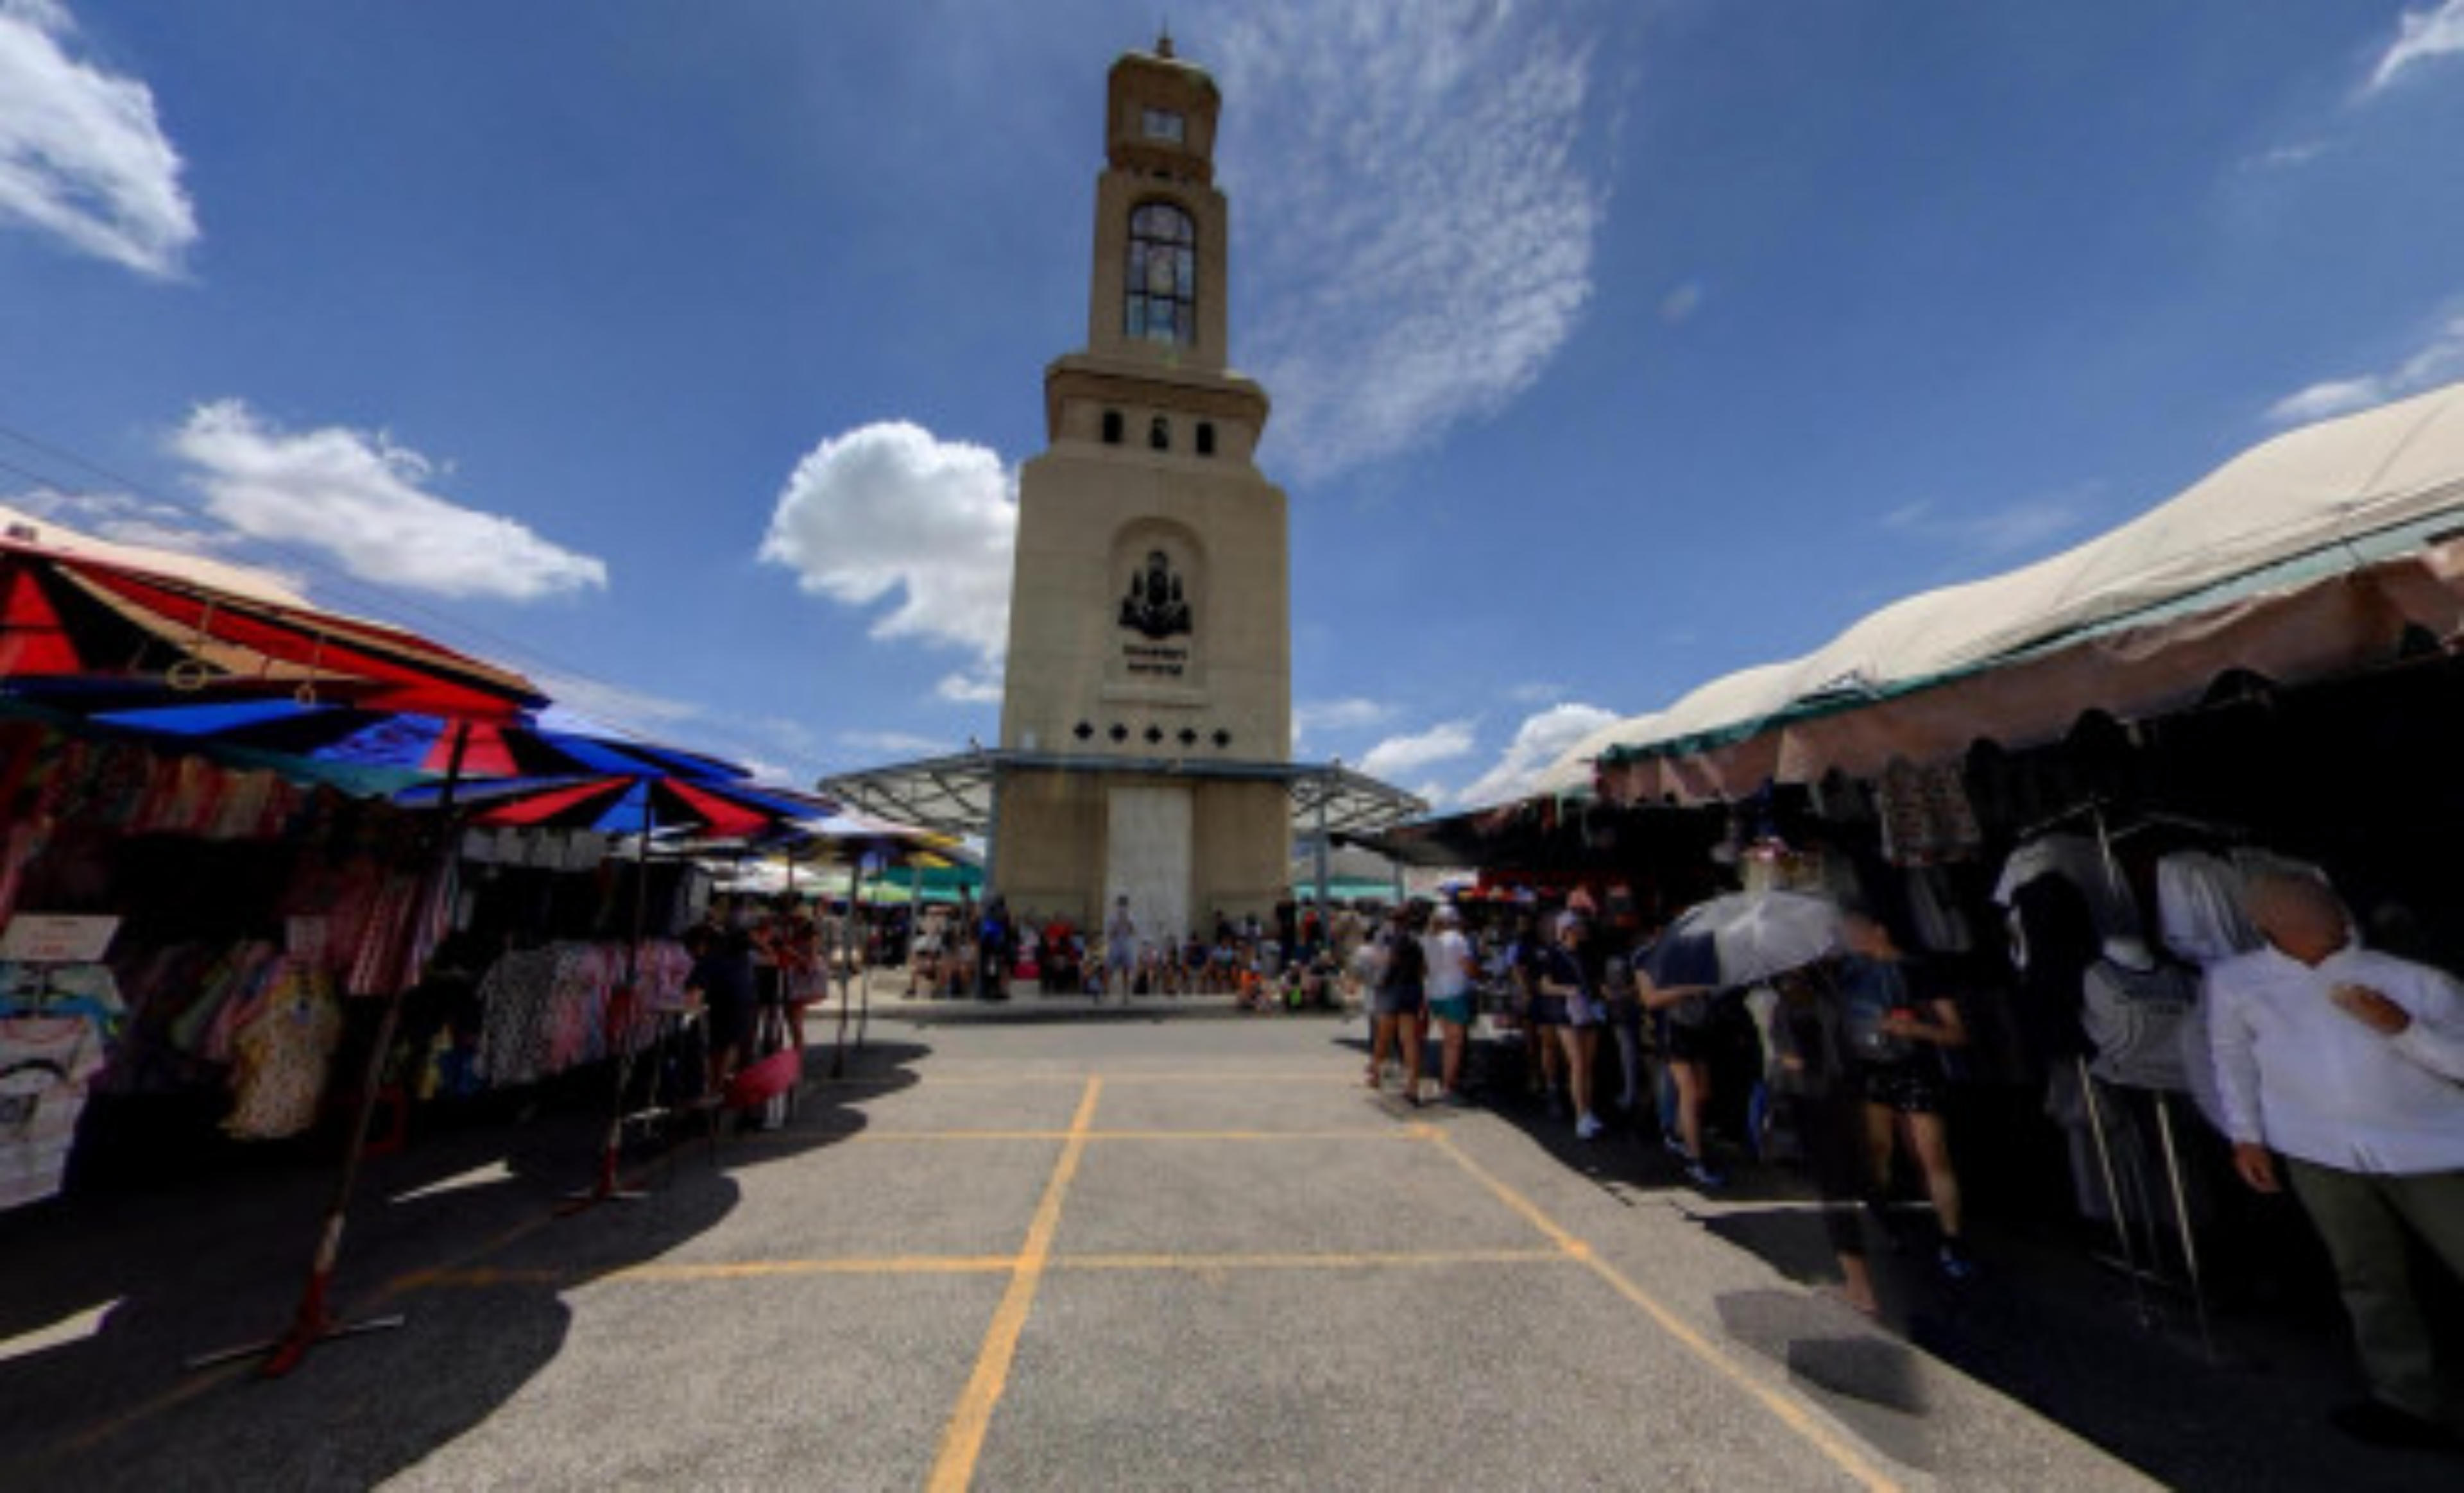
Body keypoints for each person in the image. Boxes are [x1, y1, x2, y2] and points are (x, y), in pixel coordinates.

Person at [2208, 869, 2464, 1450]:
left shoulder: (2415, 981)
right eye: (2302, 918)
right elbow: (2233, 1058)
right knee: (2366, 1275)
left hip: (2430, 1148)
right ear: (2265, 925)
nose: (2327, 925)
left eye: (2326, 912)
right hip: (2317, 1150)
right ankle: (2406, 1399)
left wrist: (2403, 1029)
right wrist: (2246, 1134)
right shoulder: (2236, 982)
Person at [1837, 905, 1976, 1279]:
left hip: (1915, 1066)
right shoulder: (1848, 973)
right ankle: (1884, 1226)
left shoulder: (1919, 971)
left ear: (1880, 930)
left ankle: (1953, 1238)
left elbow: (1957, 1032)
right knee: (1878, 1150)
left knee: (1933, 1155)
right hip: (1870, 1069)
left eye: (1856, 928)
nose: (1850, 937)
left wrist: (1916, 1030)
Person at [1638, 929, 1725, 1187]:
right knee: (1688, 1091)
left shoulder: (1694, 959)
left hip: (1697, 1027)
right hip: (1674, 1031)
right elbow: (1650, 999)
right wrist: (1689, 990)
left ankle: (1680, 1134)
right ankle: (1695, 1158)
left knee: (1701, 1092)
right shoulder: (1646, 961)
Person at [1538, 912, 1605, 1139]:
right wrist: (1567, 990)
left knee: (1588, 1064)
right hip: (1566, 1013)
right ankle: (1580, 1116)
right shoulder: (1553, 954)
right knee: (1577, 1063)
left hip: (1589, 1010)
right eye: (1579, 925)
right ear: (1567, 930)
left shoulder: (1588, 953)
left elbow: (1596, 980)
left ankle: (1588, 1110)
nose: (1583, 929)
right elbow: (1545, 986)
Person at [1367, 912, 1428, 1104]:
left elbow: (1389, 962)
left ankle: (1376, 1074)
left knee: (1383, 1036)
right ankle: (1413, 1085)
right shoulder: (1417, 942)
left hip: (1393, 990)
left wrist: (1380, 978)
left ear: (1394, 922)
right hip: (1412, 990)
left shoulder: (1395, 940)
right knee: (1409, 1040)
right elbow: (1424, 970)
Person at [1423, 904, 1479, 1104]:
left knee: (1447, 1041)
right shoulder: (1458, 940)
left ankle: (1447, 1083)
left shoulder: (1430, 940)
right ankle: (1449, 1086)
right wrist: (1478, 973)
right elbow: (1469, 967)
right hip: (1454, 993)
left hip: (1435, 994)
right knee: (1454, 1044)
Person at [1104, 896, 1136, 1003]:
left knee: (1126, 969)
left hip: (1126, 944)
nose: (1122, 908)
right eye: (1121, 905)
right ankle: (1106, 991)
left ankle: (1126, 993)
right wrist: (1117, 925)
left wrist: (1127, 922)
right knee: (1109, 968)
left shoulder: (1131, 917)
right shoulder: (1112, 917)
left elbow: (1133, 932)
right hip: (1115, 944)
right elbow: (1110, 934)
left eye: (1124, 905)